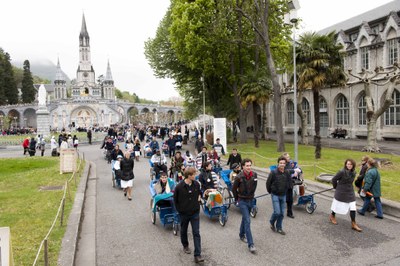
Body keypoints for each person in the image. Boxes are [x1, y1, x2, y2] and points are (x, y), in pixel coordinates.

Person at [173, 167, 204, 263]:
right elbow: (175, 201)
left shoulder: (196, 184)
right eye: (194, 174)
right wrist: (180, 211)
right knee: (183, 230)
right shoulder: (179, 187)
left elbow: (199, 193)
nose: (195, 176)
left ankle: (197, 255)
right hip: (184, 213)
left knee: (196, 233)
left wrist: (199, 198)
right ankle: (185, 245)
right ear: (189, 176)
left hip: (195, 213)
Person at [267, 156, 301, 235]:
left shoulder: (287, 172)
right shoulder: (273, 172)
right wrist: (270, 191)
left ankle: (279, 228)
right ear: (278, 163)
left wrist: (297, 171)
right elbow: (268, 183)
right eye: (280, 163)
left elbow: (292, 173)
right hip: (275, 194)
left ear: (285, 164)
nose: (282, 165)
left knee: (282, 213)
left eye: (283, 163)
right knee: (277, 212)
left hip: (283, 195)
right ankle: (272, 222)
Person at [329, 159, 362, 232]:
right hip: (341, 191)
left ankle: (353, 223)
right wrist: (335, 186)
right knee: (337, 204)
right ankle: (332, 216)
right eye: (348, 164)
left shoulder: (354, 172)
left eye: (350, 164)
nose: (349, 165)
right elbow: (334, 179)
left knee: (353, 206)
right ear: (346, 164)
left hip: (350, 191)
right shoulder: (341, 172)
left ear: (353, 165)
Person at [232, 158, 258, 253]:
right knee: (247, 220)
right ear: (243, 166)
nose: (249, 167)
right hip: (242, 201)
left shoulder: (254, 175)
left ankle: (241, 234)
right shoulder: (238, 177)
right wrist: (237, 199)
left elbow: (255, 186)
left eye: (250, 165)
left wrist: (251, 196)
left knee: (244, 218)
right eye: (247, 165)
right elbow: (234, 189)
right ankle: (251, 244)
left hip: (250, 200)